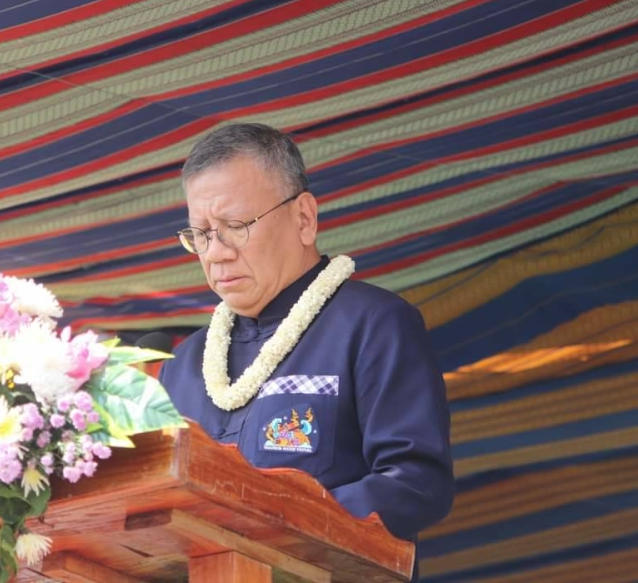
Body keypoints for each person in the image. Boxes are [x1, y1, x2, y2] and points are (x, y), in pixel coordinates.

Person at [158, 123, 454, 580]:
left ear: (304, 218)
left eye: (235, 227)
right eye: (200, 233)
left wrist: (277, 523)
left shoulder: (373, 323)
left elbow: (417, 482)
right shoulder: (182, 368)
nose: (215, 252)